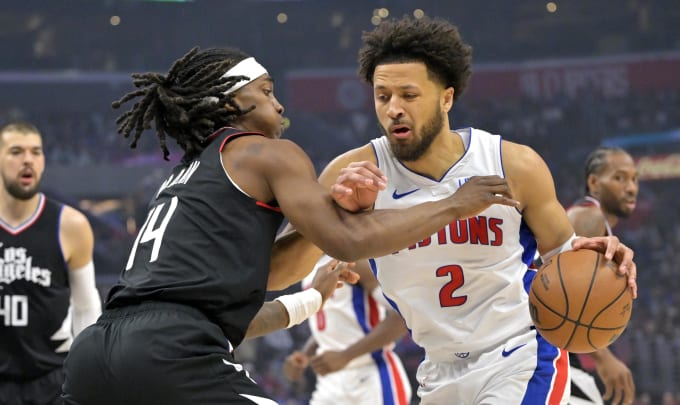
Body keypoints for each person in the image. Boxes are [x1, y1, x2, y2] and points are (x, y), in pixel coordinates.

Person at [61, 46, 521, 405]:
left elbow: (269, 277)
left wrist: (317, 286)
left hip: (95, 356)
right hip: (169, 351)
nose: (279, 105)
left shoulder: (189, 174)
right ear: (230, 101)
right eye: (265, 91)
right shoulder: (265, 151)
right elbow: (345, 241)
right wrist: (453, 205)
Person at [280, 17, 639, 404]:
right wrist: (331, 212)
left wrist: (604, 263)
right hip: (438, 369)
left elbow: (568, 268)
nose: (394, 109)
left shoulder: (512, 165)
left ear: (446, 98)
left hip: (518, 356)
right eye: (383, 97)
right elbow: (280, 271)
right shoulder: (353, 173)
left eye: (409, 95)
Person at [0, 122, 101, 405]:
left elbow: (86, 306)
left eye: (36, 152)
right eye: (16, 152)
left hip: (51, 380)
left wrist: (88, 373)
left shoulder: (70, 225)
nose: (28, 160)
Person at [283, 255, 411, 405]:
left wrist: (345, 356)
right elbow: (333, 324)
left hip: (372, 377)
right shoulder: (307, 270)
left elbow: (404, 316)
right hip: (330, 381)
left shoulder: (354, 260)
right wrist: (306, 354)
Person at [565, 146, 638, 405]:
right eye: (619, 178)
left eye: (634, 179)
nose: (631, 188)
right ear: (594, 183)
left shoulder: (599, 223)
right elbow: (549, 291)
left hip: (557, 349)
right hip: (540, 349)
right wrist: (603, 357)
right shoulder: (588, 216)